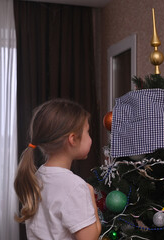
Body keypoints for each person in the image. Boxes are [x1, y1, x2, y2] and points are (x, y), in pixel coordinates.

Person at [14, 99, 101, 240]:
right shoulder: (76, 186)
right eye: (87, 132)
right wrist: (90, 194)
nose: (90, 139)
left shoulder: (37, 177)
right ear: (72, 139)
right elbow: (90, 237)